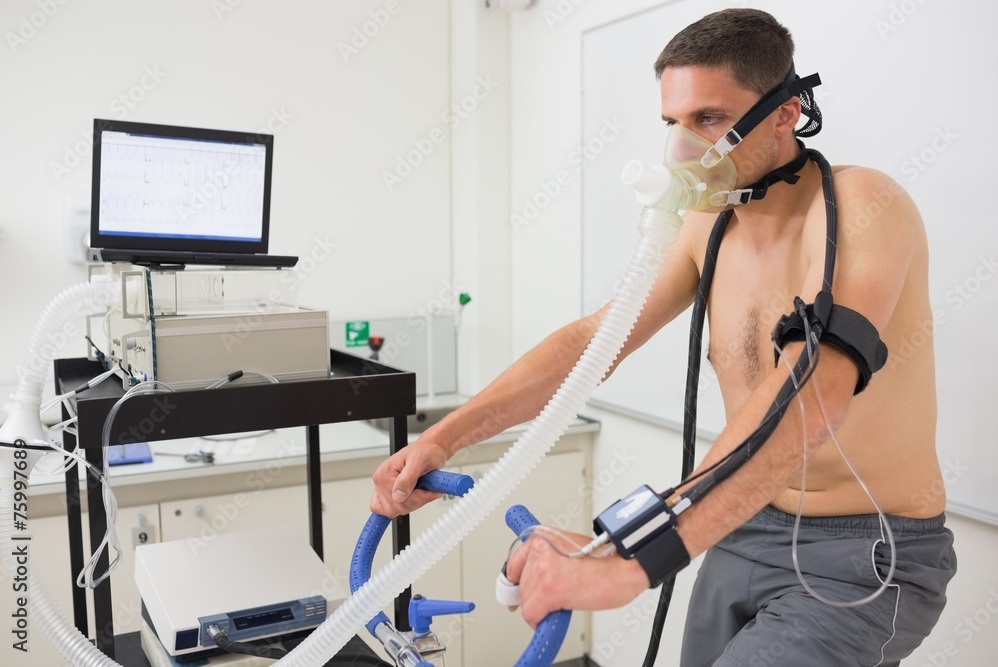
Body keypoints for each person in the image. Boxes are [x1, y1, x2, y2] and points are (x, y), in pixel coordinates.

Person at [370, 9, 956, 666]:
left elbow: (813, 395)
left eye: (708, 119)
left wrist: (627, 558)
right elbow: (596, 341)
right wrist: (445, 436)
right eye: (672, 122)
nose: (682, 147)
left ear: (786, 112)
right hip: (744, 518)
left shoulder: (865, 206)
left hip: (862, 552)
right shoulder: (707, 224)